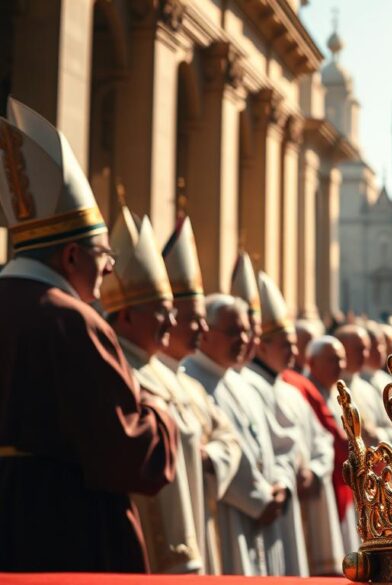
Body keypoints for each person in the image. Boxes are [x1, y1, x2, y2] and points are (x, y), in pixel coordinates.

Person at [0, 98, 177, 572]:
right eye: (103, 255)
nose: (110, 267)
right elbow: (127, 453)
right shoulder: (71, 320)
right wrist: (160, 412)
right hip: (63, 529)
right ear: (73, 257)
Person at [101, 206, 205, 574]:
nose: (173, 321)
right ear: (127, 315)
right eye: (163, 310)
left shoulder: (165, 374)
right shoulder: (115, 370)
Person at [183, 295, 290, 575]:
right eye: (233, 332)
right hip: (228, 514)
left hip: (265, 508)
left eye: (246, 331)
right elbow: (213, 452)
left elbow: (269, 443)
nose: (244, 339)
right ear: (205, 333)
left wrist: (280, 484)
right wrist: (260, 498)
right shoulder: (190, 379)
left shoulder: (244, 383)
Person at [159, 216, 242, 574]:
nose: (202, 330)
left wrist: (210, 457)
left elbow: (229, 439)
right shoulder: (146, 379)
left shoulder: (188, 384)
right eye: (194, 319)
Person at [248, 273, 342, 576]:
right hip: (278, 497)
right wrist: (289, 478)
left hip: (306, 492)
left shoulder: (293, 390)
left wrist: (314, 470)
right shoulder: (249, 387)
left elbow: (322, 439)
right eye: (286, 345)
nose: (294, 353)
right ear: (262, 346)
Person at [302, 335, 360, 553]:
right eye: (333, 360)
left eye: (341, 360)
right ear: (312, 362)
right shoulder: (306, 392)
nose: (340, 366)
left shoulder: (336, 392)